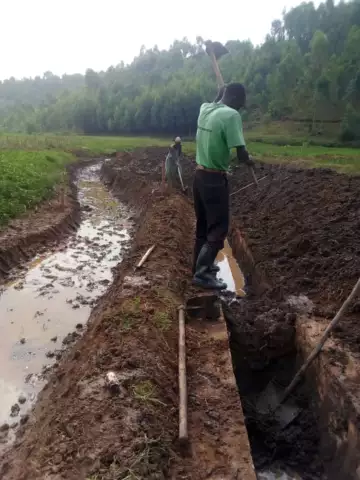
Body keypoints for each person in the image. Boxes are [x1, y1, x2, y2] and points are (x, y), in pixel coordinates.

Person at [192, 83, 254, 290]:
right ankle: (202, 274)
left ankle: (200, 267)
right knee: (218, 229)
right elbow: (241, 153)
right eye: (241, 104)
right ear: (236, 98)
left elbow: (215, 99)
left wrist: (220, 92)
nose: (240, 109)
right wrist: (249, 161)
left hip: (198, 177)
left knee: (203, 226)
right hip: (214, 180)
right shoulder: (231, 116)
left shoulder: (205, 108)